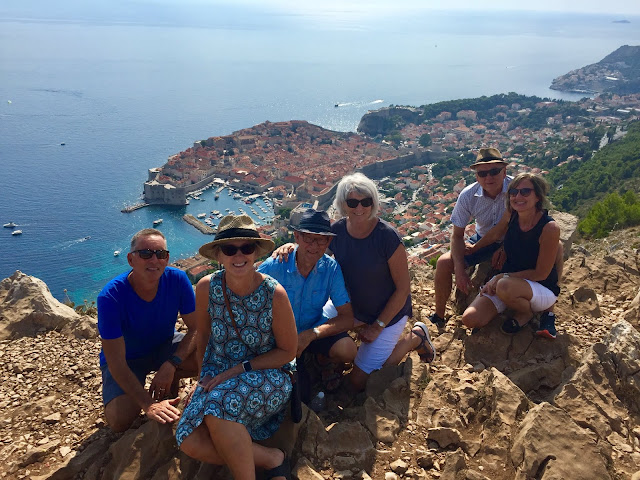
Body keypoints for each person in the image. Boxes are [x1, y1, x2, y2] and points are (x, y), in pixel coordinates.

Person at [176, 214, 297, 480]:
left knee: (218, 408)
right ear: (219, 256)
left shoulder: (273, 294)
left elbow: (288, 352)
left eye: (247, 248)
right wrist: (202, 376)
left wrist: (239, 369)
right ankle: (272, 459)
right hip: (218, 371)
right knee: (188, 439)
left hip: (268, 373)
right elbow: (203, 335)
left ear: (255, 253)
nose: (239, 255)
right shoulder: (207, 287)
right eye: (230, 249)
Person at [97, 228, 197, 432]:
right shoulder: (110, 297)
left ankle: (171, 379)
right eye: (145, 254)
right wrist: (149, 405)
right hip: (128, 359)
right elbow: (116, 362)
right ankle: (148, 390)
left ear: (167, 259)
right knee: (120, 420)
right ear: (130, 259)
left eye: (161, 254)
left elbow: (197, 328)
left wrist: (172, 364)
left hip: (165, 346)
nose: (154, 260)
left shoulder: (178, 279)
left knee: (213, 354)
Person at [258, 208, 356, 395]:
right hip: (280, 339)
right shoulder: (274, 266)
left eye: (321, 240)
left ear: (329, 241)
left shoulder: (331, 268)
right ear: (297, 237)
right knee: (300, 395)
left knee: (348, 350)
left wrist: (312, 334)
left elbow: (347, 318)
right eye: (308, 238)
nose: (314, 245)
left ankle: (320, 359)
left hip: (312, 330)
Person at [461, 173, 560, 335]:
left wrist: (502, 277)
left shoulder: (549, 228)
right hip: (508, 283)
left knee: (504, 286)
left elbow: (541, 274)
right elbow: (495, 233)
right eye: (513, 192)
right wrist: (475, 248)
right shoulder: (511, 214)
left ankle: (526, 313)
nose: (518, 196)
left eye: (525, 192)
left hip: (540, 288)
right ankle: (512, 301)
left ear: (538, 196)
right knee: (470, 319)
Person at [428, 147, 512, 330]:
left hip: (513, 242)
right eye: (482, 173)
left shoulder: (516, 191)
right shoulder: (468, 195)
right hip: (482, 240)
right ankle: (439, 315)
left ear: (504, 172)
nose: (488, 177)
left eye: (494, 171)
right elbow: (457, 235)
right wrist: (459, 269)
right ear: (476, 176)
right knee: (443, 263)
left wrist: (506, 247)